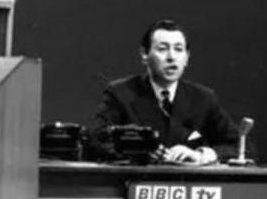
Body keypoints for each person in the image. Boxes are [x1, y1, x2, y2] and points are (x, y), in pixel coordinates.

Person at [92, 19, 240, 165]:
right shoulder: (121, 93)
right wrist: (139, 152)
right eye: (163, 49)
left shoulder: (203, 98)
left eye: (178, 49)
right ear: (144, 54)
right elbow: (96, 141)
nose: (172, 57)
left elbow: (242, 147)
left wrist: (201, 154)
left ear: (187, 57)